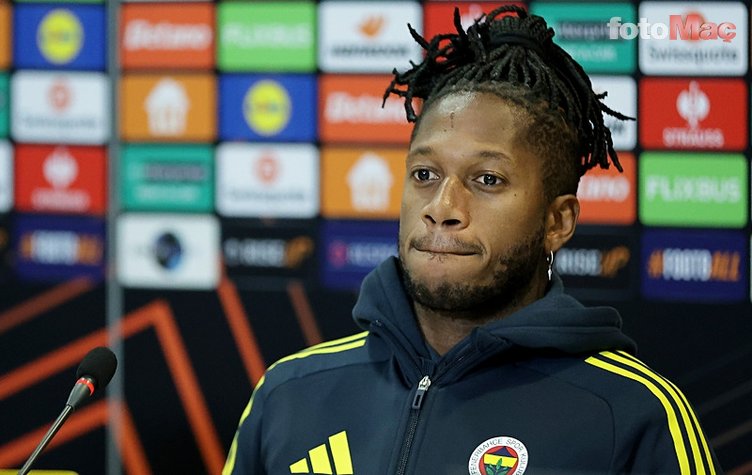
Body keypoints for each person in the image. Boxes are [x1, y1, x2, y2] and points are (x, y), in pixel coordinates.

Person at [223, 6, 721, 474]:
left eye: (487, 180)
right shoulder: (289, 393)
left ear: (557, 221)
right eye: (425, 174)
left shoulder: (632, 414)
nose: (442, 207)